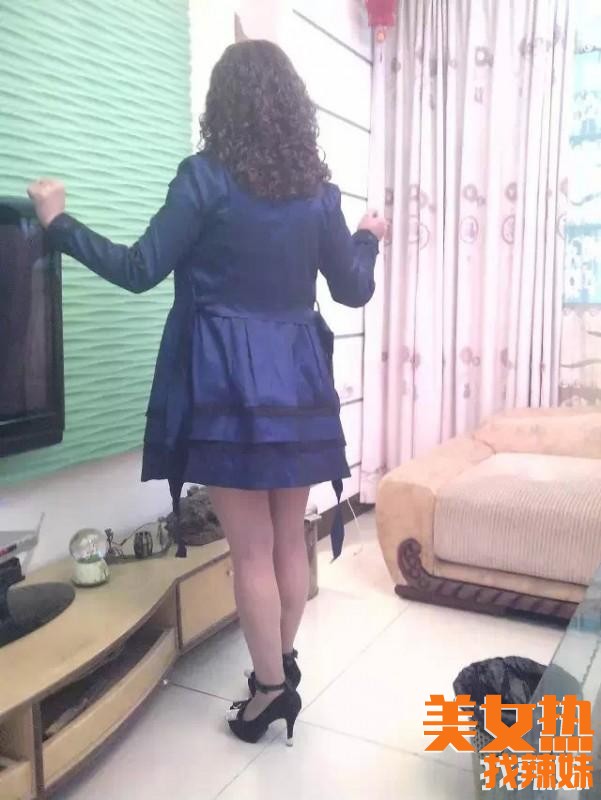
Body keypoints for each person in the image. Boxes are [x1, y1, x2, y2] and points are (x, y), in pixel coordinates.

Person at [27, 40, 386, 746]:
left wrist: (57, 224)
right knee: (289, 539)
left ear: (220, 106)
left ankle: (271, 691)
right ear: (294, 109)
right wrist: (368, 237)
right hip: (298, 382)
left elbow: (138, 269)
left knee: (249, 551)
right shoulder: (318, 194)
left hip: (226, 382)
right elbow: (352, 289)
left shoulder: (203, 180)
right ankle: (278, 669)